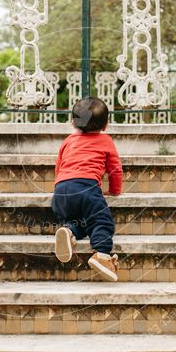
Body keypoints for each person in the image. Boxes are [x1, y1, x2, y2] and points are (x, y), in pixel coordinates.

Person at [52, 97, 123, 281]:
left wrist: (60, 187)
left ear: (72, 121)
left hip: (61, 191)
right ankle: (102, 255)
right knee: (101, 221)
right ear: (106, 125)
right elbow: (115, 169)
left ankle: (69, 232)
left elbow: (58, 167)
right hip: (87, 188)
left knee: (83, 222)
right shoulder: (105, 140)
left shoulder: (68, 141)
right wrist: (115, 191)